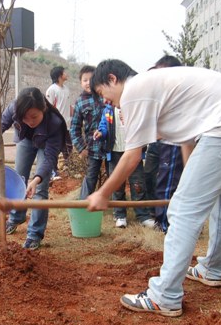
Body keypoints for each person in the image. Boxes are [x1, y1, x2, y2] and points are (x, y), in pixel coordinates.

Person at [87, 60, 221, 317]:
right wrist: (190, 184)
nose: (108, 102)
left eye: (103, 93)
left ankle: (165, 296)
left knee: (182, 211)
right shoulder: (158, 87)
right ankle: (212, 269)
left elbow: (132, 157)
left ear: (113, 79)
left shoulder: (134, 90)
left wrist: (102, 193)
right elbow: (187, 140)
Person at [0, 87, 67, 251]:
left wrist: (36, 180)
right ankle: (16, 217)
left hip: (46, 145)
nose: (29, 121)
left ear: (43, 108)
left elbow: (50, 158)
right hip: (26, 140)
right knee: (18, 179)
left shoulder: (54, 123)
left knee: (40, 190)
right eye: (24, 117)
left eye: (34, 117)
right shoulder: (14, 109)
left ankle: (34, 234)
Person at [94, 102, 152, 228]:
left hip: (133, 152)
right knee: (117, 185)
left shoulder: (132, 106)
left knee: (138, 184)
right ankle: (120, 215)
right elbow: (103, 127)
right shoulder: (108, 111)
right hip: (114, 153)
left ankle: (143, 215)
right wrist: (100, 133)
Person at [147, 55, 185, 233]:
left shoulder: (178, 93)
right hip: (170, 144)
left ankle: (165, 225)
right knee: (164, 184)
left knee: (167, 187)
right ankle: (163, 221)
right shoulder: (167, 94)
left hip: (175, 146)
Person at [69, 65, 105, 199]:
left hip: (111, 146)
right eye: (85, 80)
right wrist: (81, 148)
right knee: (91, 176)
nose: (88, 82)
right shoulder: (80, 102)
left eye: (92, 79)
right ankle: (84, 204)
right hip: (93, 147)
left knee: (114, 174)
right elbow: (74, 128)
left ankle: (117, 207)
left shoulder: (104, 96)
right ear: (80, 82)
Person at [46, 66, 73, 180]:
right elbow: (48, 108)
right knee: (55, 149)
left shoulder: (66, 89)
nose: (66, 74)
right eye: (64, 72)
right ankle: (53, 172)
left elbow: (70, 107)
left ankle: (69, 169)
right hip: (56, 126)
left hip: (67, 125)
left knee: (68, 148)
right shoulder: (51, 90)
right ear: (60, 75)